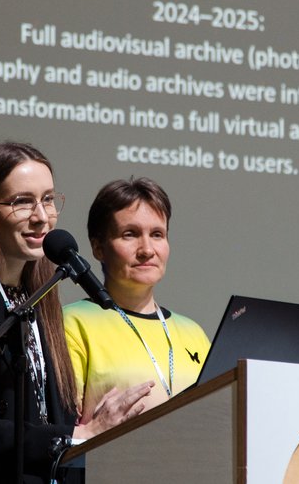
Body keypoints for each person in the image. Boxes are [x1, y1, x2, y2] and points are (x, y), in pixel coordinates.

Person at [0, 141, 154, 484]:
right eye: (22, 202)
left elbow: (44, 414)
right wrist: (75, 436)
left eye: (48, 199)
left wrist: (87, 428)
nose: (41, 217)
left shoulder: (42, 298)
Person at [63, 177, 211, 424]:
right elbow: (66, 427)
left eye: (157, 234)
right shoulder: (73, 322)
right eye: (130, 234)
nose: (147, 249)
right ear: (98, 247)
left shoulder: (192, 331)